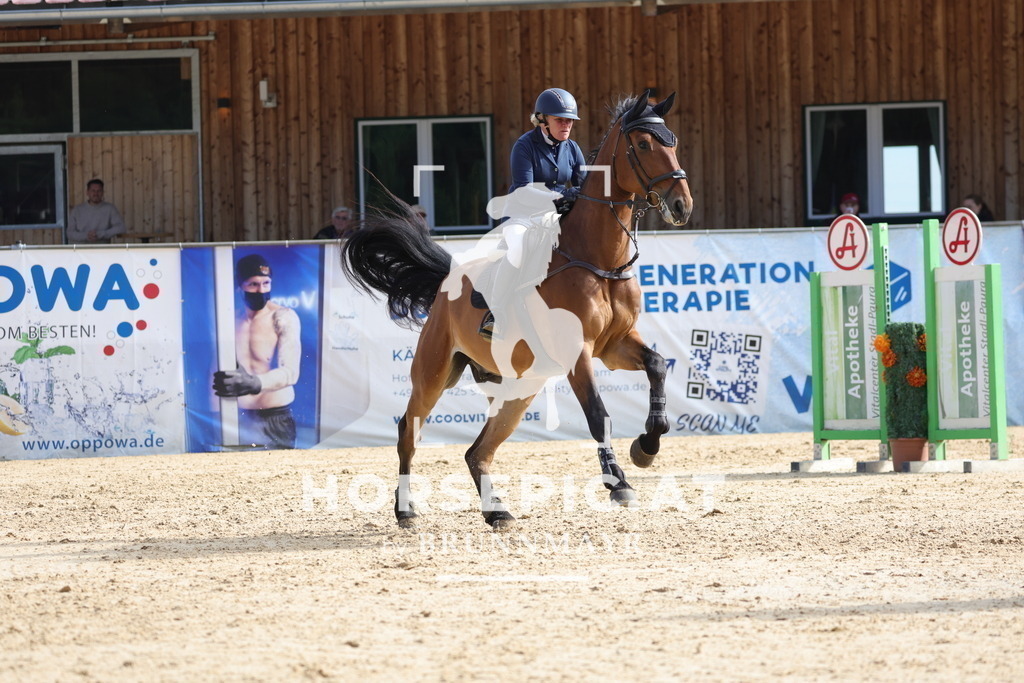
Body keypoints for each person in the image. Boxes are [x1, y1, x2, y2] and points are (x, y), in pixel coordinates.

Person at [213, 254, 301, 449]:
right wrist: (213, 413)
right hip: (238, 416)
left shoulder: (283, 317)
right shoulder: (230, 320)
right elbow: (217, 369)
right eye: (253, 284)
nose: (261, 290)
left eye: (266, 283)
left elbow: (291, 372)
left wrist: (255, 382)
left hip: (275, 417)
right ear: (240, 286)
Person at [509, 87, 587, 208]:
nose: (566, 125)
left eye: (569, 120)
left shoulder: (573, 148)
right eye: (559, 119)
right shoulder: (524, 146)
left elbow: (585, 186)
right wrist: (563, 196)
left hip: (559, 212)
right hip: (523, 214)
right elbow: (524, 192)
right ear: (541, 119)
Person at [66, 178, 126, 244]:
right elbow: (69, 233)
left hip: (102, 250)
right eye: (93, 191)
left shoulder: (110, 208)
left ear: (103, 192)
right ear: (87, 192)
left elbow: (121, 228)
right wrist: (86, 236)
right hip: (80, 251)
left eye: (99, 191)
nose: (96, 193)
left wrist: (101, 234)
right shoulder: (77, 210)